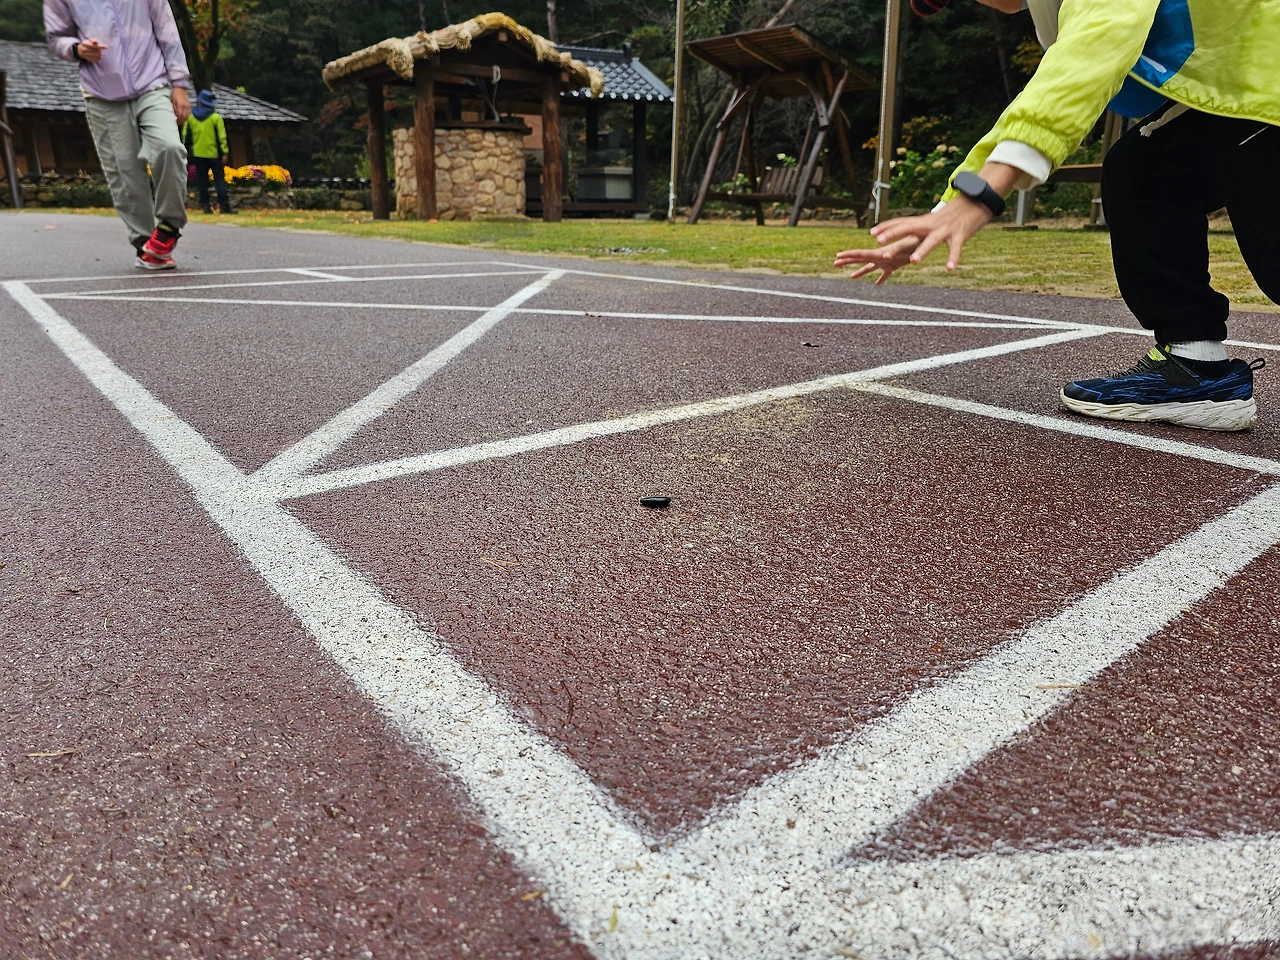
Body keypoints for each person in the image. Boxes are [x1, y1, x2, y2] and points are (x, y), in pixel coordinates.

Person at [836, 0, 1279, 432]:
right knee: (1143, 174)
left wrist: (980, 197)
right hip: (1244, 79)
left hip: (1266, 77)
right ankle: (1196, 367)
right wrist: (946, 210)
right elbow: (1053, 88)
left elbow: (1096, 43)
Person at [44, 0, 192, 270]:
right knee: (125, 172)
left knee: (169, 147)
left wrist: (180, 84)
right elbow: (56, 38)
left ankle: (169, 227)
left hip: (153, 83)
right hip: (101, 93)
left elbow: (167, 30)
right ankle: (145, 244)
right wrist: (77, 49)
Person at [183, 89, 234, 215]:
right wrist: (224, 152)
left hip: (198, 154)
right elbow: (222, 137)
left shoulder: (191, 118)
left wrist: (186, 149)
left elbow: (186, 136)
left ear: (199, 101)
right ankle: (224, 206)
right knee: (219, 180)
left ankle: (206, 206)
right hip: (214, 154)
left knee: (202, 181)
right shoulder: (216, 118)